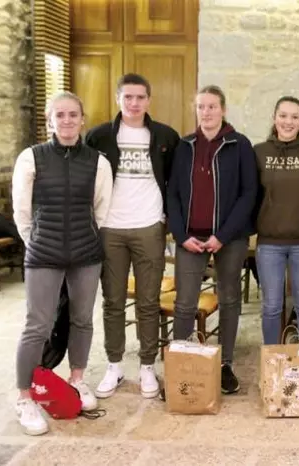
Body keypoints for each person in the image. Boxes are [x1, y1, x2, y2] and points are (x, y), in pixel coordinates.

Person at [12, 92, 113, 435]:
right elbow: (22, 213)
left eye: (73, 115)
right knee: (36, 326)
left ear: (82, 119)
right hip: (43, 254)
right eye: (60, 115)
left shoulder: (98, 161)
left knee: (82, 320)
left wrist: (80, 239)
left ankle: (78, 379)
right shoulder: (31, 158)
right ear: (49, 120)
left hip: (85, 253)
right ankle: (25, 397)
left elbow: (101, 211)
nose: (67, 120)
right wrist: (39, 240)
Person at [86, 73, 180, 400]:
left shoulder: (165, 136)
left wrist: (169, 217)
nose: (134, 103)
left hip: (149, 227)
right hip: (110, 228)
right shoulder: (98, 137)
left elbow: (174, 181)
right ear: (118, 99)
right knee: (112, 300)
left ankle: (146, 366)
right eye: (128, 97)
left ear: (149, 100)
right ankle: (114, 364)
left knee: (148, 301)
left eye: (140, 97)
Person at [167, 85, 259, 394]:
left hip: (229, 238)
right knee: (184, 303)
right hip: (190, 238)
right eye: (201, 107)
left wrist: (223, 235)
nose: (206, 112)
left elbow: (249, 194)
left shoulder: (240, 144)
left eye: (212, 106)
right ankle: (180, 365)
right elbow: (174, 195)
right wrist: (182, 236)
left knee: (229, 298)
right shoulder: (185, 146)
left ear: (223, 109)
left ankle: (226, 365)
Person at [254, 96, 299, 344]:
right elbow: (252, 194)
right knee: (271, 306)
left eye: (294, 117)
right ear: (275, 118)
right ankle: (272, 359)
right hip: (269, 242)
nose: (288, 121)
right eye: (283, 115)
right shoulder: (259, 152)